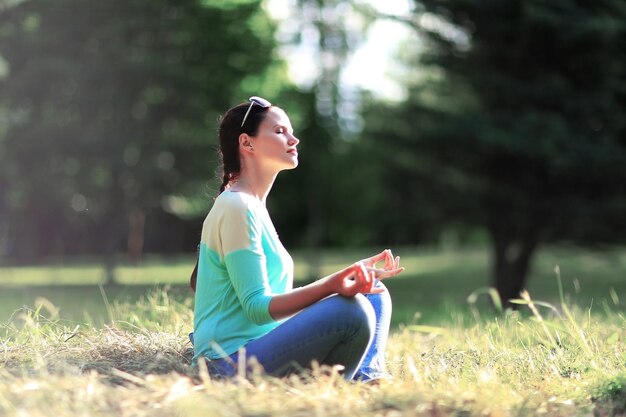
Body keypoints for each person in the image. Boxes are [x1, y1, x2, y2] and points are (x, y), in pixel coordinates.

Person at [190, 96, 405, 381]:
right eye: (280, 131)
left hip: (261, 348)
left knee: (372, 291)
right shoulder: (236, 206)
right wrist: (332, 284)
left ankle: (367, 378)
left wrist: (348, 276)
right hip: (226, 364)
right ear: (247, 143)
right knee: (352, 312)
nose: (294, 139)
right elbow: (257, 309)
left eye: (290, 131)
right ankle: (360, 383)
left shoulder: (252, 206)